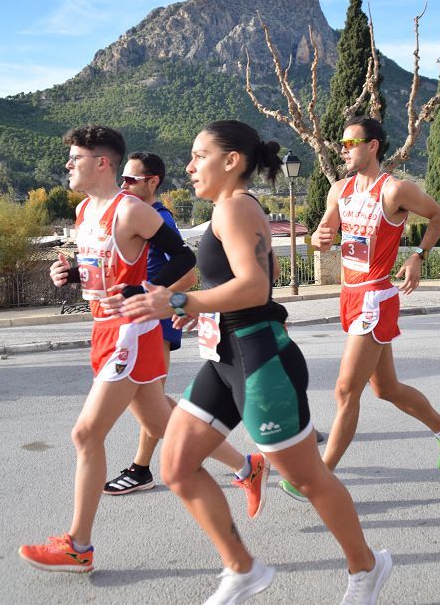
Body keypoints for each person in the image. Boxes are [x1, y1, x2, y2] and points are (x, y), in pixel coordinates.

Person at [117, 120, 392, 604]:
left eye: (198, 155)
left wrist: (183, 304)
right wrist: (202, 309)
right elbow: (267, 272)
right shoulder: (234, 210)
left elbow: (255, 287)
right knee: (178, 466)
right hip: (226, 354)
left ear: (231, 161)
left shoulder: (236, 208)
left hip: (261, 359)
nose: (189, 166)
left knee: (308, 479)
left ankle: (367, 568)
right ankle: (242, 568)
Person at [17, 126, 262, 575]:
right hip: (103, 328)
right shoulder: (83, 212)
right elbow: (101, 270)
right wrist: (71, 277)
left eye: (75, 158)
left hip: (130, 331)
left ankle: (79, 545)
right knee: (158, 420)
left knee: (86, 434)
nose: (68, 165)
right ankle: (247, 466)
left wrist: (146, 291)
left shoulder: (130, 211)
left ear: (102, 163)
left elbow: (184, 261)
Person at [281, 116, 440, 504]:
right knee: (386, 388)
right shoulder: (339, 190)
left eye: (351, 143)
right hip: (348, 295)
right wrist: (317, 239)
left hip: (376, 297)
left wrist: (418, 255)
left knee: (346, 390)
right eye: (342, 144)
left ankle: (317, 477)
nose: (344, 149)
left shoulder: (396, 190)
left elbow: (439, 216)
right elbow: (323, 241)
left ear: (374, 146)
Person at [104, 152, 267, 518]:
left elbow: (188, 273)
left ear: (152, 182)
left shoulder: (159, 220)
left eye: (131, 180)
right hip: (133, 322)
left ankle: (144, 468)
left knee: (153, 405)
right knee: (151, 404)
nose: (124, 186)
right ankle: (237, 464)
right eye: (123, 180)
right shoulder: (130, 216)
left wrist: (168, 301)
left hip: (152, 322)